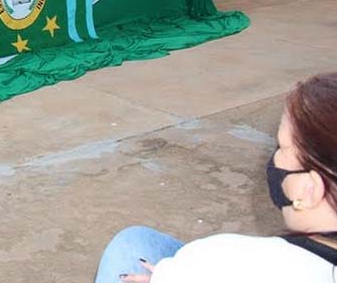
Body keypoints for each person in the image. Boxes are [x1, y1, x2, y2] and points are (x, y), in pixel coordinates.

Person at [96, 72, 337, 282]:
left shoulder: (225, 261)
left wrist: (170, 276)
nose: (274, 157)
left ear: (309, 190)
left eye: (282, 147)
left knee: (132, 245)